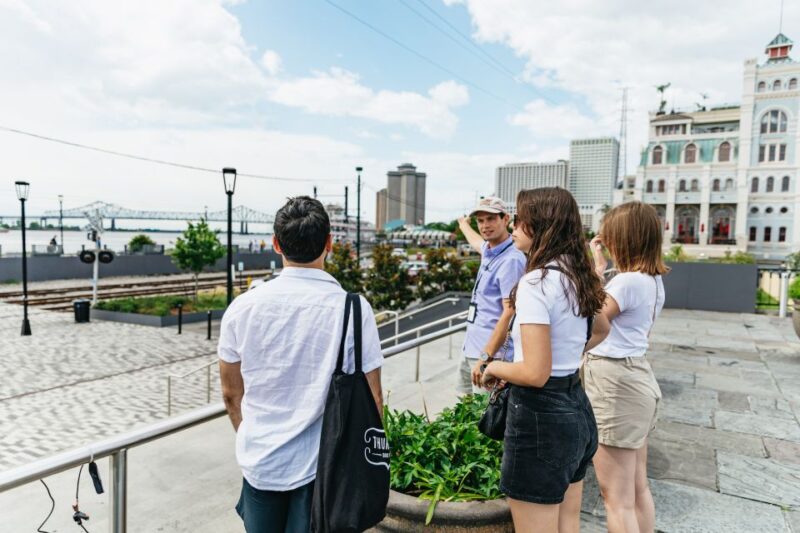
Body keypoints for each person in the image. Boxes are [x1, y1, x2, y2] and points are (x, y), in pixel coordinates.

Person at [218, 196, 384, 533]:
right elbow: (374, 399)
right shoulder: (354, 309)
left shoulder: (242, 308)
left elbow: (230, 395)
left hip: (260, 461)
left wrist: (253, 435)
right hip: (325, 468)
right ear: (329, 244)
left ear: (277, 244)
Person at [480, 188, 610, 533]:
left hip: (540, 419)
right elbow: (601, 329)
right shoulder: (574, 273)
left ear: (539, 225)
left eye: (521, 219)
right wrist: (566, 353)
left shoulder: (536, 282)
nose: (516, 226)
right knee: (568, 525)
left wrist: (491, 367)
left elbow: (535, 373)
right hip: (575, 407)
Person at [583, 201, 667, 533]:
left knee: (615, 498)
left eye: (610, 236)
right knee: (636, 488)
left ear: (625, 239)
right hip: (635, 379)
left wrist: (595, 271)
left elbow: (591, 320)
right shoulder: (652, 280)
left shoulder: (626, 282)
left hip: (614, 383)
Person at [456, 196, 526, 394]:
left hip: (490, 357)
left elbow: (510, 312)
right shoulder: (489, 249)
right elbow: (476, 241)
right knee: (463, 416)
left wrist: (486, 357)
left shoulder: (511, 260)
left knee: (485, 418)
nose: (485, 225)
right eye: (480, 220)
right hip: (471, 348)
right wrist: (463, 225)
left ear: (506, 219)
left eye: (491, 219)